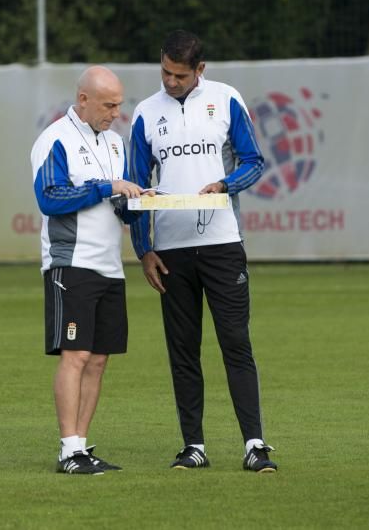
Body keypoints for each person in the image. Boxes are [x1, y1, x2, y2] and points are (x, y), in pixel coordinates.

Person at [129, 30, 277, 473]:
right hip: (171, 251)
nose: (170, 82)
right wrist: (144, 249)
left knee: (236, 343)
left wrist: (224, 184)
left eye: (179, 75)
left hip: (222, 244)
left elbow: (254, 162)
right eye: (164, 72)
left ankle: (255, 444)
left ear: (200, 70)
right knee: (183, 350)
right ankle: (193, 446)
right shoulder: (144, 112)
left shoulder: (226, 99)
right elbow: (136, 187)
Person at [31, 66, 143, 475]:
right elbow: (50, 197)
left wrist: (138, 200)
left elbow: (118, 204)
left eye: (119, 104)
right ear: (83, 100)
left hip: (110, 267)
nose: (117, 112)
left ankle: (80, 448)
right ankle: (69, 449)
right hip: (71, 264)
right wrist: (107, 187)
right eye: (109, 104)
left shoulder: (115, 143)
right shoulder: (54, 139)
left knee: (98, 359)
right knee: (76, 355)